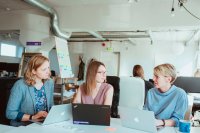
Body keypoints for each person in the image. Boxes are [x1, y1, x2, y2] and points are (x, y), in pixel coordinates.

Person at [6, 54, 54, 126]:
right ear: (34, 71)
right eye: (44, 69)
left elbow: (51, 105)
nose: (48, 72)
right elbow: (10, 113)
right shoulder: (20, 85)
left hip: (43, 124)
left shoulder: (49, 82)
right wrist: (33, 117)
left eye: (48, 68)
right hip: (24, 126)